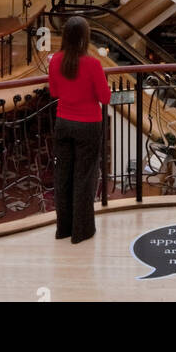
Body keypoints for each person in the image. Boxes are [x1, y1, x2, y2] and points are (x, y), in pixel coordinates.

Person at [48, 16, 111, 243]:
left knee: (63, 176)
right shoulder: (93, 64)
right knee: (84, 178)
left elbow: (54, 92)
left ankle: (63, 229)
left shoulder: (56, 60)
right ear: (85, 37)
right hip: (88, 125)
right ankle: (81, 230)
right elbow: (105, 97)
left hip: (63, 122)